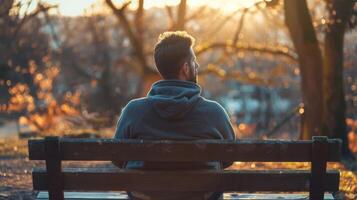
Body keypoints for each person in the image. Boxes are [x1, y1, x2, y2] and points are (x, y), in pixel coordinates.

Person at [113, 31, 236, 200]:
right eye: (194, 61)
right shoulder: (213, 112)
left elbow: (117, 159)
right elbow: (228, 157)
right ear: (185, 68)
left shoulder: (133, 111)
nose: (197, 66)